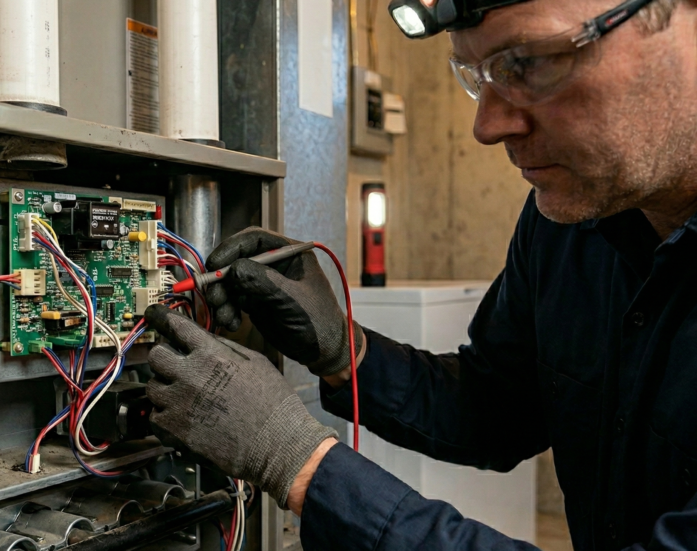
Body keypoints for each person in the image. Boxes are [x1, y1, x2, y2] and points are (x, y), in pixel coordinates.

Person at [142, 0, 697, 548]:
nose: (487, 126)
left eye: (528, 62)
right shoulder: (570, 223)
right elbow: (496, 408)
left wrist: (300, 464)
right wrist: (345, 353)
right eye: (477, 75)